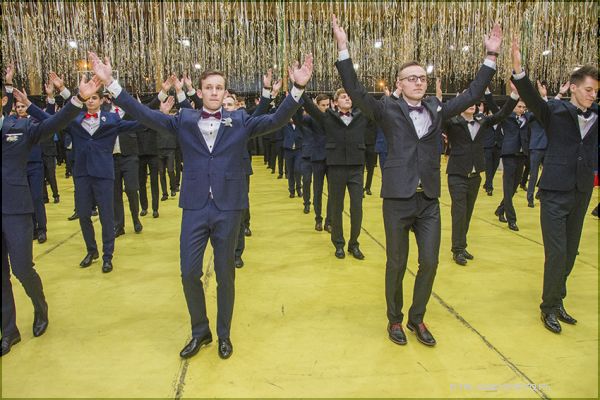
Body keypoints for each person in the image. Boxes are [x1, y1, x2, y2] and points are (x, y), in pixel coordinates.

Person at [90, 51, 314, 359]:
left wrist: (298, 88)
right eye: (209, 87)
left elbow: (276, 120)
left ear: (225, 92)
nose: (214, 92)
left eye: (219, 87)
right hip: (195, 207)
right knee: (188, 273)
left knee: (225, 275)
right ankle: (200, 331)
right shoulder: (184, 120)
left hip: (228, 207)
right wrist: (111, 84)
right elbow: (144, 115)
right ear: (199, 91)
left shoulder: (240, 120)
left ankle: (224, 334)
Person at [333, 14, 502, 346]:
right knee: (397, 263)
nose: (419, 82)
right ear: (399, 84)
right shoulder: (385, 109)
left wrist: (490, 56)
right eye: (411, 78)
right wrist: (343, 49)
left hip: (429, 201)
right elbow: (354, 89)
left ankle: (417, 318)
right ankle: (394, 319)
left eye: (422, 78)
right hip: (398, 199)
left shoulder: (437, 108)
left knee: (430, 261)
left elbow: (471, 94)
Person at [2, 73, 102, 356]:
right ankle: (8, 331)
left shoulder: (19, 127)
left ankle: (40, 306)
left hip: (15, 208)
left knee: (22, 268)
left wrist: (78, 99)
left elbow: (54, 123)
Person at [510, 37, 598, 334]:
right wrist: (518, 69)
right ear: (573, 87)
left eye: (596, 91)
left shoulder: (596, 115)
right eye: (588, 89)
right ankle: (548, 307)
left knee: (571, 252)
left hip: (581, 191)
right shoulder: (554, 111)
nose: (592, 95)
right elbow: (532, 98)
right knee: (557, 252)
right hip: (554, 192)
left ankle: (558, 298)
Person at [444, 85, 517, 265]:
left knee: (468, 212)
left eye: (473, 102)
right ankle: (457, 249)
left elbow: (501, 114)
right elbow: (438, 118)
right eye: (467, 101)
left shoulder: (482, 120)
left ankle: (462, 245)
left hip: (475, 175)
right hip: (457, 174)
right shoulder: (452, 121)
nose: (471, 104)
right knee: (459, 212)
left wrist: (514, 95)